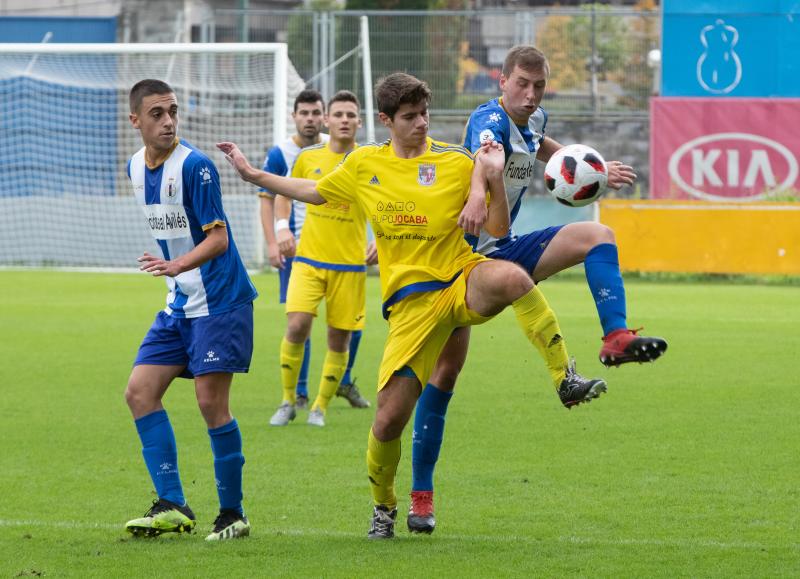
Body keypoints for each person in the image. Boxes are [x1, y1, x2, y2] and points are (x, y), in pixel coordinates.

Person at [217, 72, 605, 539]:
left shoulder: (456, 161)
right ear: (386, 121)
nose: (422, 123)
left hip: (460, 276)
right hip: (410, 306)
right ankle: (384, 507)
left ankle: (564, 377)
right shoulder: (364, 165)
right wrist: (253, 175)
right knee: (387, 420)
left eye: (425, 114)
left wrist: (493, 180)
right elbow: (314, 192)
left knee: (513, 277)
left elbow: (500, 231)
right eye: (410, 117)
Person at [407, 45, 669, 535]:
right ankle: (421, 496)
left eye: (539, 85)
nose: (530, 95)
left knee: (598, 236)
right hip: (460, 261)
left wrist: (583, 164)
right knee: (443, 376)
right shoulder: (487, 119)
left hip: (504, 247)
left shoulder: (532, 115)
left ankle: (615, 338)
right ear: (501, 80)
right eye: (521, 84)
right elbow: (486, 157)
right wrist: (481, 192)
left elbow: (538, 139)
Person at [123, 79, 256, 541]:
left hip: (220, 302)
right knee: (140, 392)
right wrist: (175, 271)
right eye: (156, 113)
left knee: (210, 404)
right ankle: (173, 503)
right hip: (180, 302)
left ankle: (232, 514)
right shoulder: (135, 167)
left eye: (173, 111)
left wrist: (174, 264)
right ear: (135, 120)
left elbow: (218, 239)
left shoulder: (196, 167)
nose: (168, 121)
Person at [269, 90, 378, 428]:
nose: (345, 120)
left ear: (359, 122)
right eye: (339, 114)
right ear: (327, 121)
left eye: (351, 115)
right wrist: (281, 228)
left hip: (349, 267)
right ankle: (288, 401)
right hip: (309, 261)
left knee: (338, 338)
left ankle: (319, 406)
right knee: (297, 325)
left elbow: (387, 206)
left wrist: (383, 245)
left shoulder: (370, 161)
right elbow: (284, 195)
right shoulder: (307, 157)